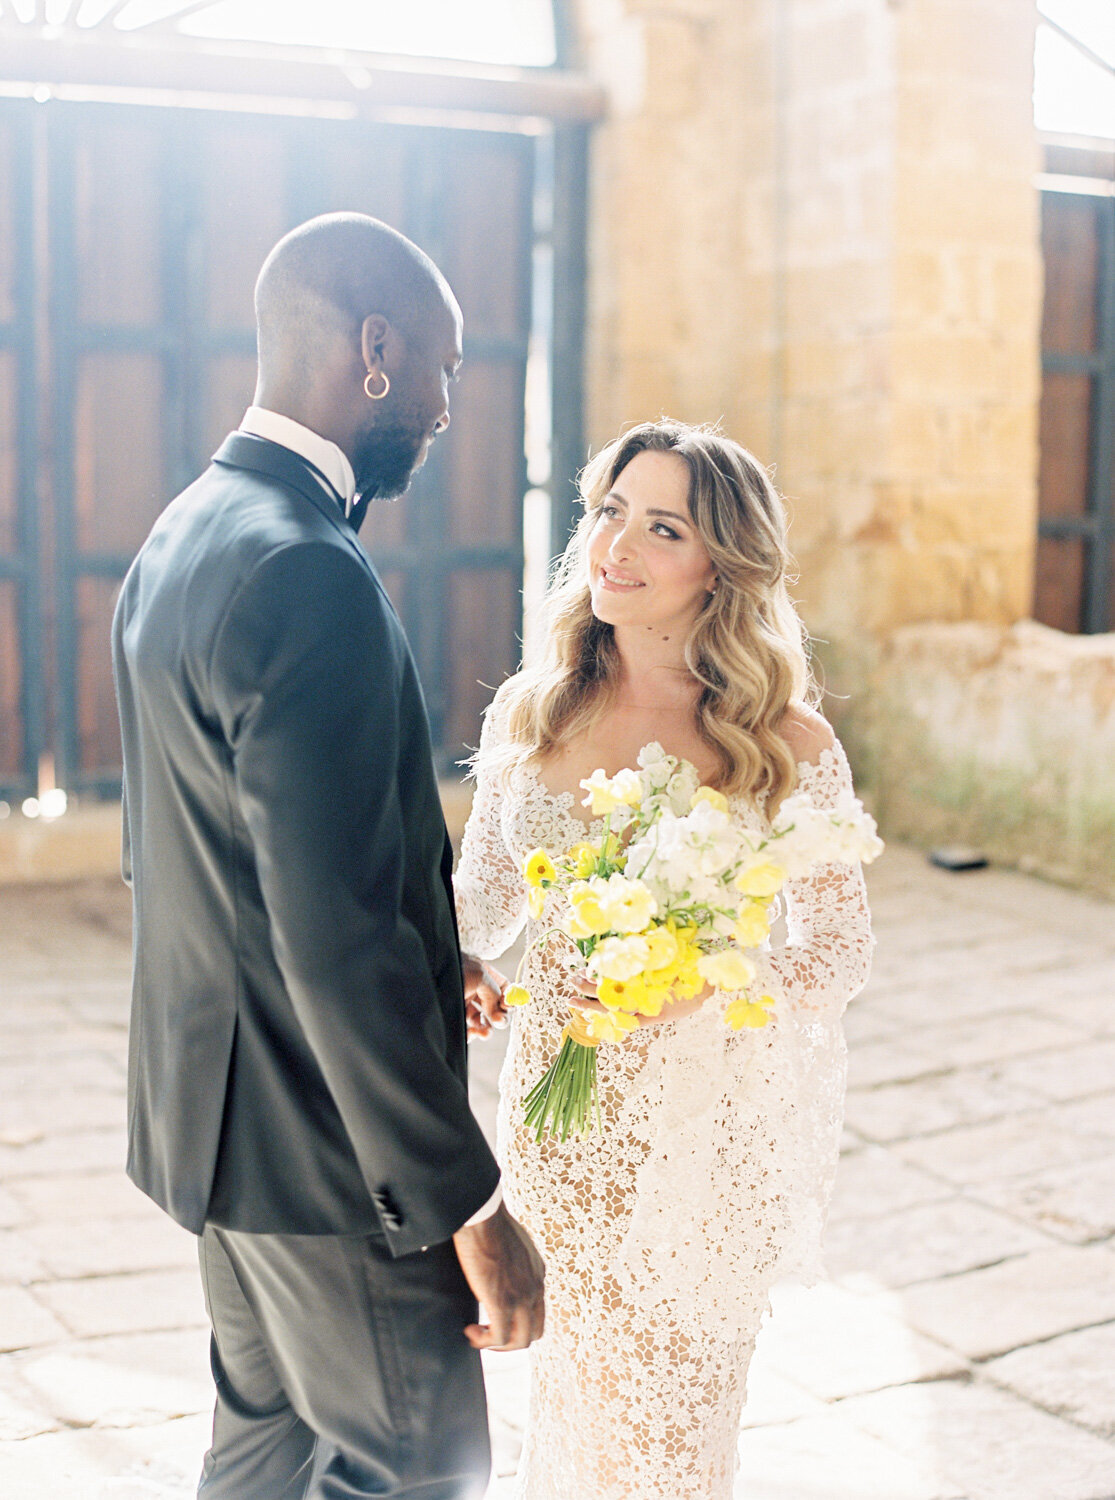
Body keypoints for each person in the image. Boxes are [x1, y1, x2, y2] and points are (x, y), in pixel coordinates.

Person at [111, 212, 545, 1500]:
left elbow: (193, 858)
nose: (447, 404)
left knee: (262, 1460)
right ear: (374, 351)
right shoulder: (310, 572)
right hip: (334, 1167)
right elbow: (333, 941)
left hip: (220, 1136)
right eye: (444, 368)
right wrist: (467, 1205)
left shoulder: (185, 532)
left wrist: (428, 939)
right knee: (421, 1472)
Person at [455, 419, 875, 1499]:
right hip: (559, 1126)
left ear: (717, 568)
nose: (613, 546)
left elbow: (832, 953)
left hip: (703, 1132)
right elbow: (481, 907)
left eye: (659, 527)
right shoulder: (532, 711)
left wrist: (704, 984)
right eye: (606, 511)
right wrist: (465, 966)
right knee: (580, 1425)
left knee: (670, 1445)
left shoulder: (781, 741)